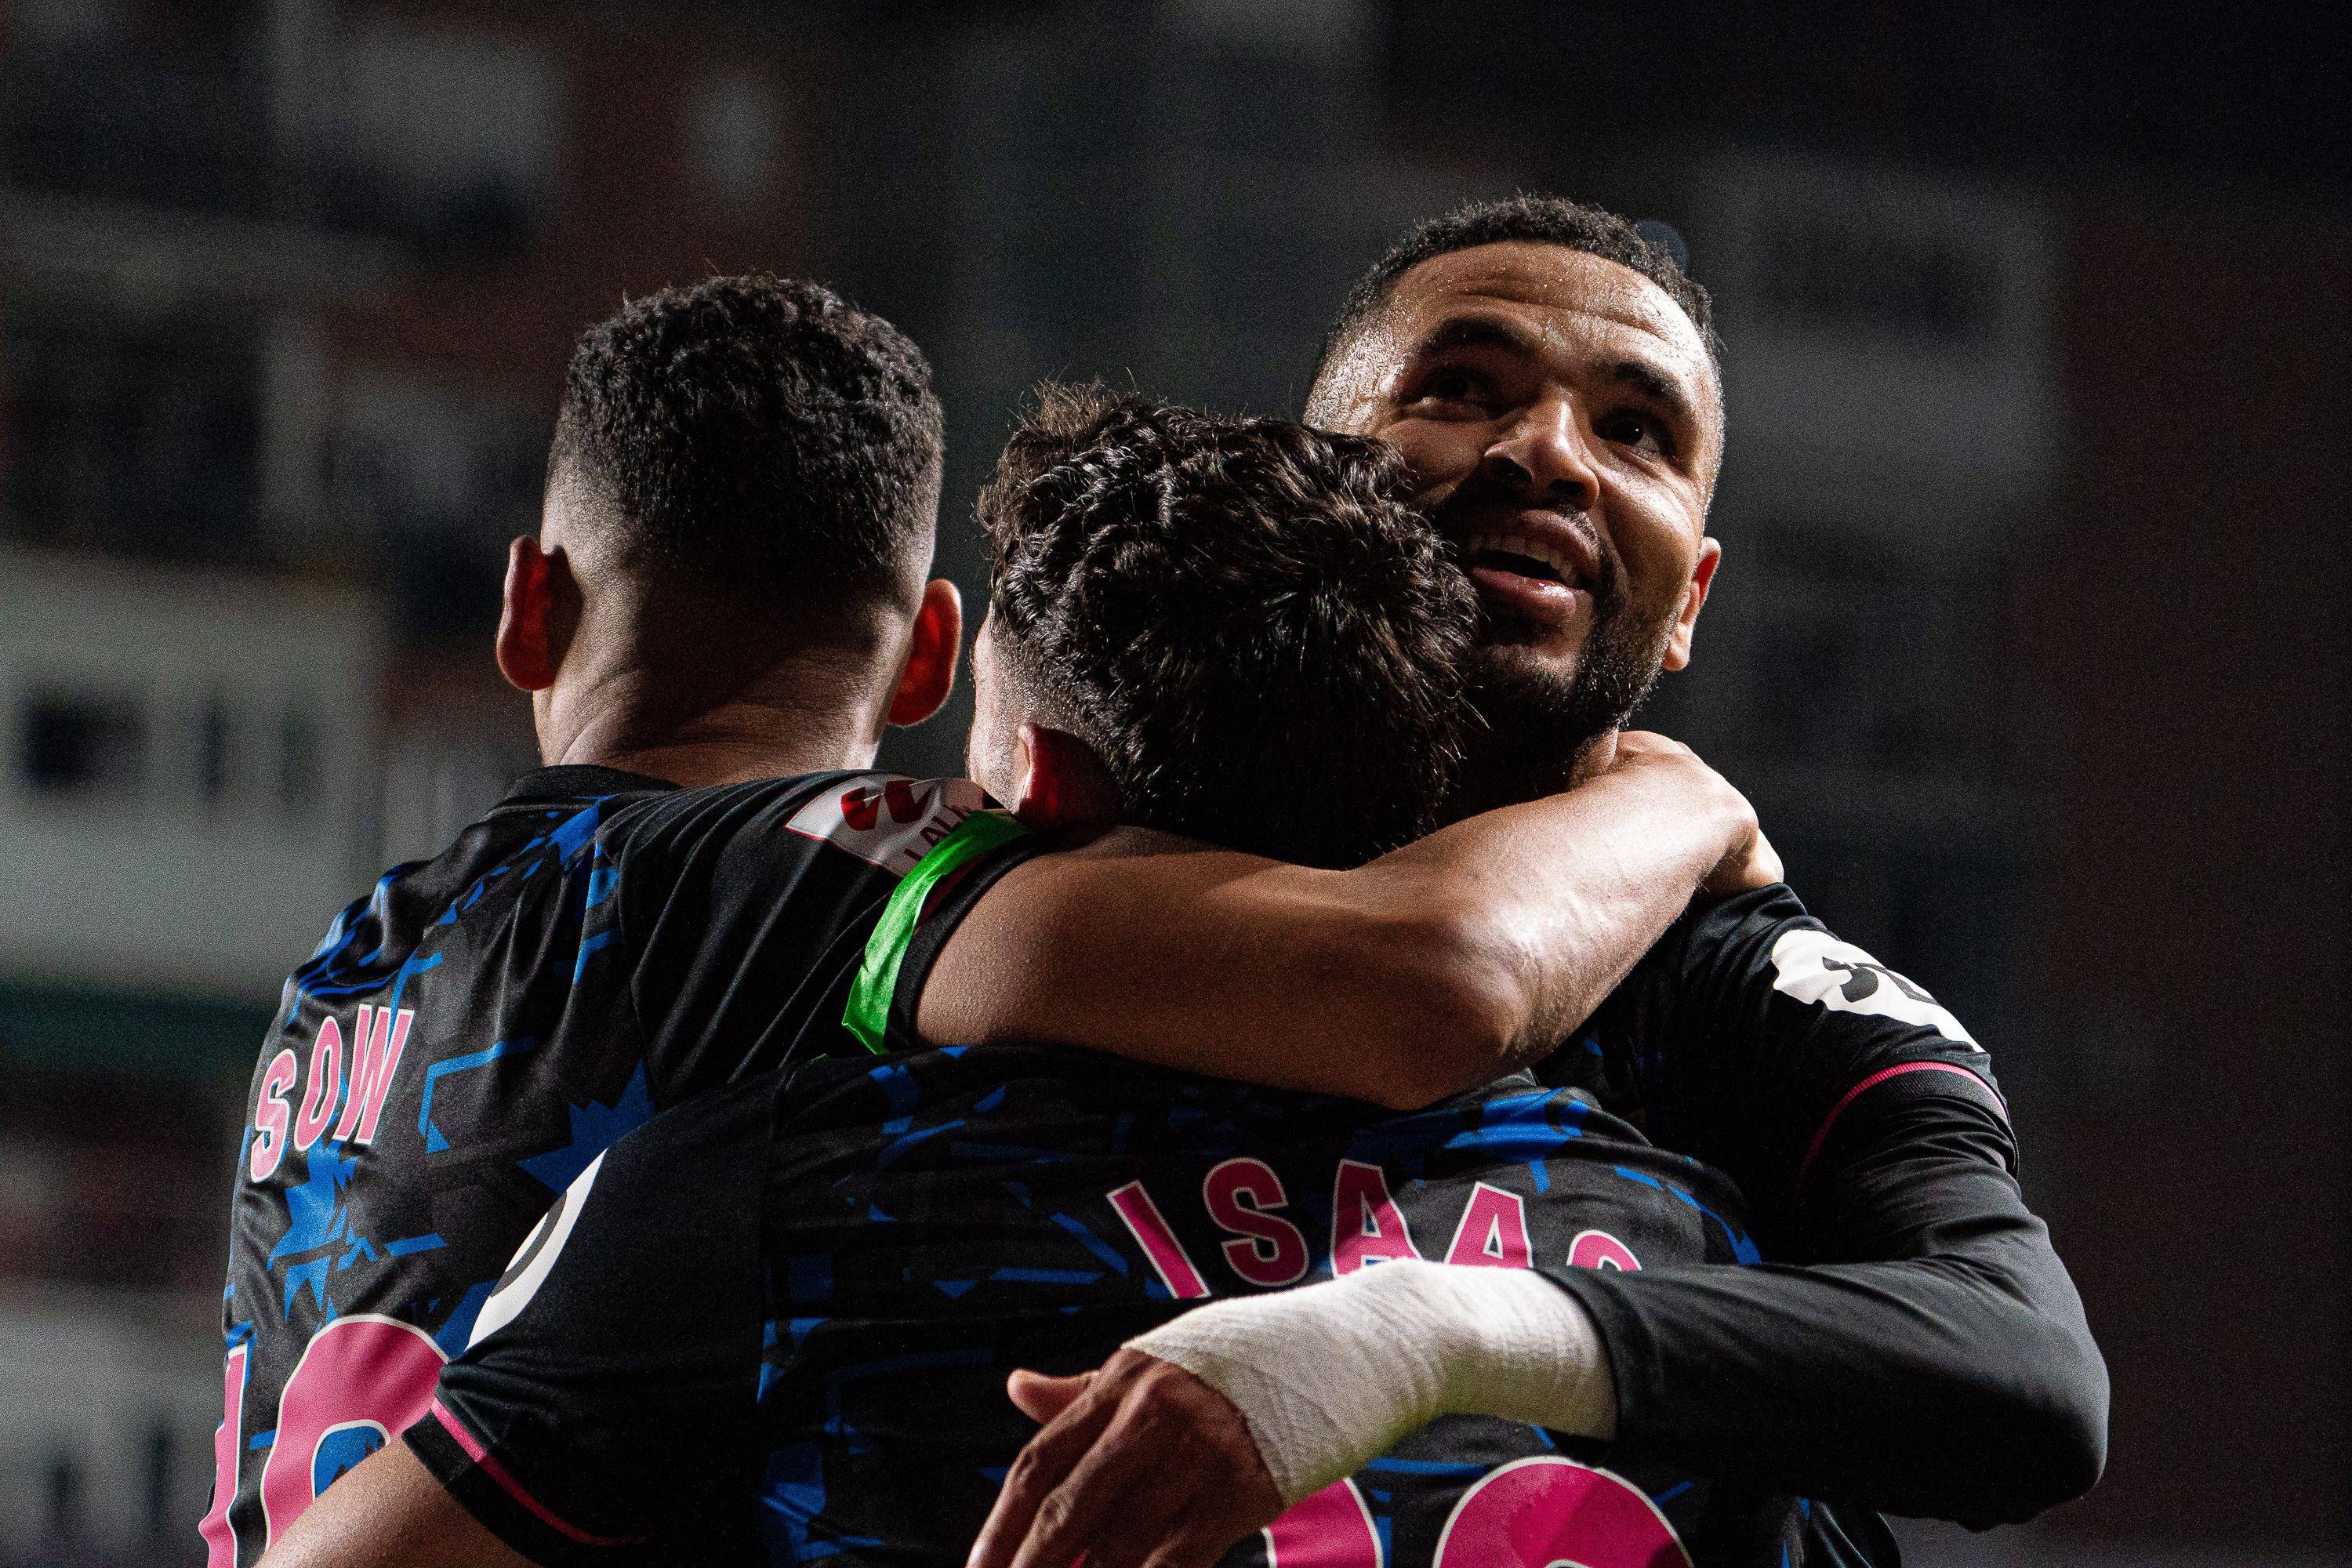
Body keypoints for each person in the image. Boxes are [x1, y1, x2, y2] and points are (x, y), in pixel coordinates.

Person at [206, 279, 1772, 1561]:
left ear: (526, 609)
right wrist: (1675, 800)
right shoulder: (812, 888)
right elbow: (1419, 985)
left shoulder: (346, 971)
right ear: (928, 661)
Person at [968, 196, 2107, 1568]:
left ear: (1690, 605)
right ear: (1318, 472)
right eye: (1461, 388)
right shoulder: (1080, 847)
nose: (1549, 452)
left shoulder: (1745, 980)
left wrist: (1443, 1333)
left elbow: (2026, 1367)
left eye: (1637, 430)